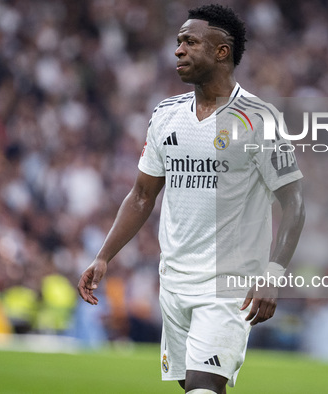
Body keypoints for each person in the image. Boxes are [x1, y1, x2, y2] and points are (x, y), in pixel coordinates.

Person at [78, 4, 305, 393]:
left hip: (228, 287)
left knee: (203, 388)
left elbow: (294, 203)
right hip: (174, 283)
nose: (178, 50)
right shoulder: (166, 115)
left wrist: (273, 274)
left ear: (222, 51)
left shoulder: (259, 120)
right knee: (193, 387)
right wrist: (103, 255)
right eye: (178, 41)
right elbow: (141, 196)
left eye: (190, 42)